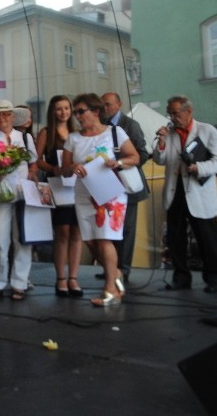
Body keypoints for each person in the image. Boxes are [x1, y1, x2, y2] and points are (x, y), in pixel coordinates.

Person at [62, 93, 139, 307]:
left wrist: (118, 163)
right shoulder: (73, 138)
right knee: (90, 240)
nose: (77, 116)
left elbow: (134, 157)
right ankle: (115, 275)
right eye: (75, 112)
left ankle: (111, 289)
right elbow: (65, 169)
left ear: (95, 111)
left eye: (80, 111)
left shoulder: (115, 132)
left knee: (105, 238)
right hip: (84, 193)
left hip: (110, 193)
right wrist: (72, 167)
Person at [153, 95, 217, 293]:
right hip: (175, 189)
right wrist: (161, 142)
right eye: (169, 113)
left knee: (207, 237)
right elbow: (159, 160)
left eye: (176, 113)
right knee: (175, 238)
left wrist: (200, 167)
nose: (172, 117)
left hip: (198, 189)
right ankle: (181, 277)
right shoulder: (169, 133)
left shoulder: (207, 131)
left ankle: (214, 277)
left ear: (189, 112)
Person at [0, 99, 37, 301]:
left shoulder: (25, 138)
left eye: (6, 114)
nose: (3, 118)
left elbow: (34, 164)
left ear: (13, 117)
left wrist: (32, 174)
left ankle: (19, 283)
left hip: (22, 195)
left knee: (22, 239)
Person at [35, 95, 83, 297]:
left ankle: (73, 277)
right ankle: (61, 277)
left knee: (77, 233)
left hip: (78, 187)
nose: (63, 112)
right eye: (58, 109)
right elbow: (37, 160)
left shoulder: (77, 133)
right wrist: (53, 168)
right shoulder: (47, 132)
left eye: (66, 108)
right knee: (62, 232)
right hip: (58, 186)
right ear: (52, 112)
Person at [100, 92, 150, 284]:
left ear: (118, 104)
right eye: (102, 105)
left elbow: (143, 154)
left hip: (128, 186)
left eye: (108, 104)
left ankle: (124, 269)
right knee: (110, 229)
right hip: (108, 186)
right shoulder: (101, 127)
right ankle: (111, 268)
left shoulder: (130, 125)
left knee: (126, 230)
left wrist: (121, 164)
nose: (105, 108)